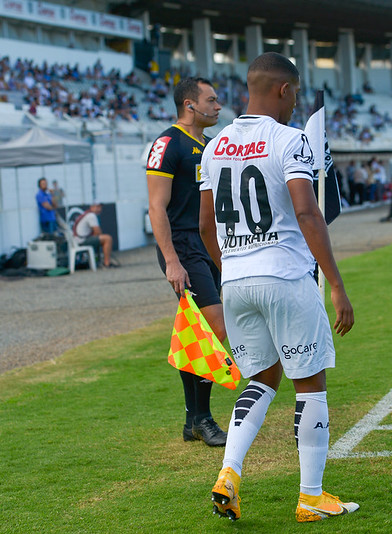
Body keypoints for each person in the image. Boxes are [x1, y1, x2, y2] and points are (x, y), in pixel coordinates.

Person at [199, 52, 358, 524]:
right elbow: (308, 213)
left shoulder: (214, 146)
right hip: (286, 276)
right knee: (309, 383)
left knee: (262, 379)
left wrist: (232, 267)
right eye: (295, 95)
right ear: (285, 91)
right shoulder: (290, 139)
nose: (295, 104)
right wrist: (336, 285)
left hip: (236, 281)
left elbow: (206, 226)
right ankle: (310, 496)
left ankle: (229, 472)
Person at [146, 77, 228, 447]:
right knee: (216, 329)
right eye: (211, 100)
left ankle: (193, 420)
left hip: (207, 244)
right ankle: (203, 417)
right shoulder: (168, 143)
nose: (218, 106)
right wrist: (171, 261)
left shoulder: (209, 145)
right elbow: (156, 207)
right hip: (181, 246)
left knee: (196, 332)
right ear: (189, 105)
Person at [72, 203, 116, 268]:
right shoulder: (91, 215)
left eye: (100, 207)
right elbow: (98, 232)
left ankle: (100, 261)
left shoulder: (87, 214)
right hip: (82, 240)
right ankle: (107, 263)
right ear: (91, 207)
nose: (99, 209)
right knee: (108, 239)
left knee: (102, 239)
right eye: (97, 207)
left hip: (79, 240)